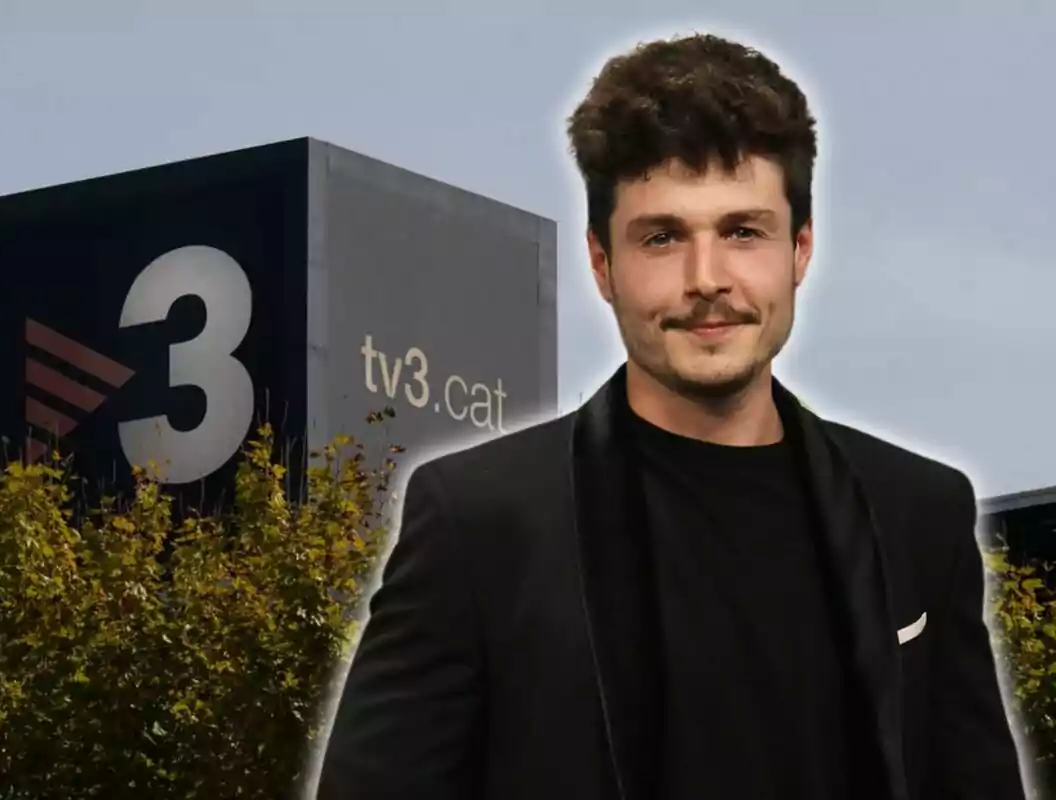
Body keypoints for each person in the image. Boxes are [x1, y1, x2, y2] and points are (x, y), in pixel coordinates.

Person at [315, 32, 1026, 800]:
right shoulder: (480, 520)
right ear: (601, 265)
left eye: (743, 232)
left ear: (800, 250)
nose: (707, 279)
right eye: (661, 237)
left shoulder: (918, 511)